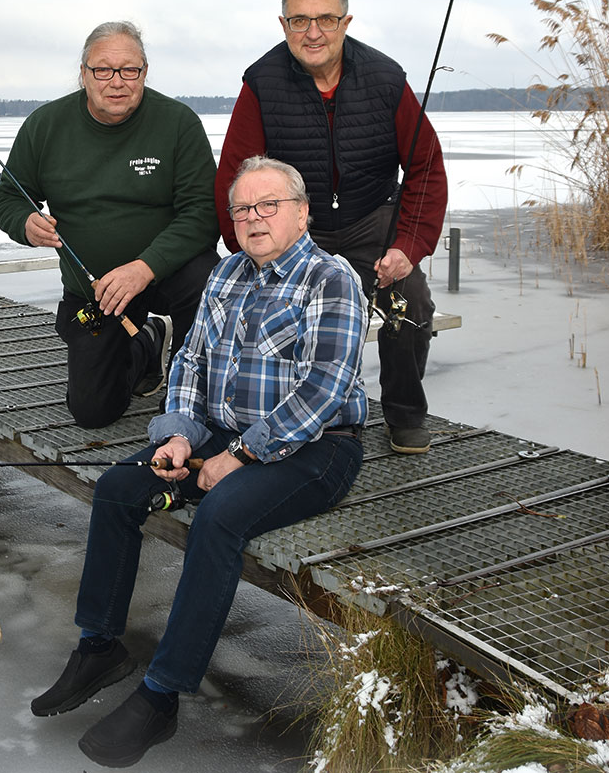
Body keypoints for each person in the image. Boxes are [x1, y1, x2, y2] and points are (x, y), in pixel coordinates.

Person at [30, 156, 368, 768]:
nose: (254, 218)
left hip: (318, 448)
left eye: (269, 205)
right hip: (221, 432)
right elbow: (188, 361)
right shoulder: (229, 273)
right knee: (117, 487)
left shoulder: (331, 278)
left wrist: (237, 457)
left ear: (301, 212)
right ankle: (99, 645)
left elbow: (323, 390)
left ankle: (162, 695)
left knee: (219, 520)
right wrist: (181, 437)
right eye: (243, 208)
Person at [215, 0, 448, 454]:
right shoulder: (261, 83)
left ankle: (404, 413)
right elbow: (235, 177)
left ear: (345, 22)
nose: (313, 32)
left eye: (325, 18)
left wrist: (408, 246)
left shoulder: (386, 79)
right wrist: (248, 244)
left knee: (412, 302)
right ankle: (283, 414)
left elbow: (425, 166)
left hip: (371, 221)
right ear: (284, 25)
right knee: (279, 309)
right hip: (298, 228)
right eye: (300, 20)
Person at [0, 21, 220, 428]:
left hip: (167, 275)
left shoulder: (178, 123)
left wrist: (144, 267)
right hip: (95, 290)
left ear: (144, 73)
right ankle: (147, 345)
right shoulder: (45, 126)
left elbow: (203, 213)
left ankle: (194, 385)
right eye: (103, 70)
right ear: (83, 74)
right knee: (93, 412)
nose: (116, 82)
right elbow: (8, 196)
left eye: (128, 70)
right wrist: (26, 224)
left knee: (206, 277)